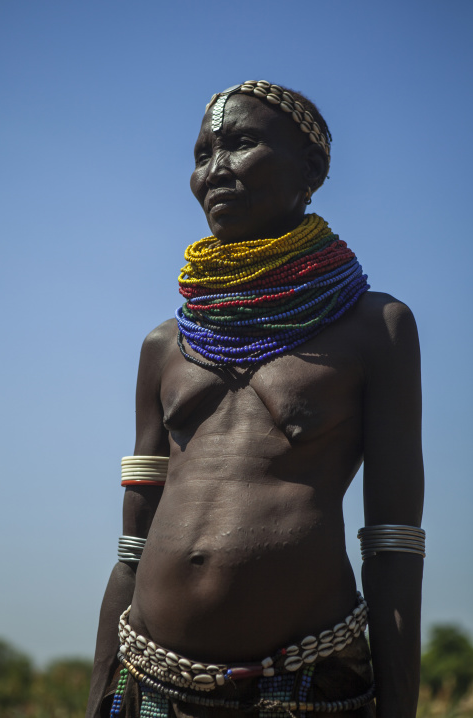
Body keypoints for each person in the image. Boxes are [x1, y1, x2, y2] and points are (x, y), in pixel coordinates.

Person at [86, 81, 425, 718]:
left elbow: (394, 539)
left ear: (312, 169)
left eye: (241, 144)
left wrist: (399, 705)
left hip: (300, 683)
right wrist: (99, 693)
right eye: (202, 153)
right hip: (149, 684)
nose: (214, 171)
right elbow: (130, 552)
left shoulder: (375, 327)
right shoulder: (167, 344)